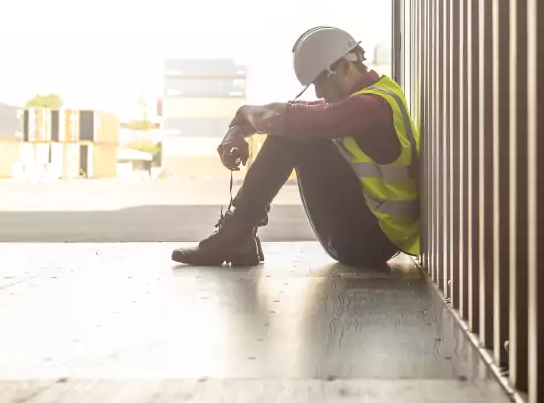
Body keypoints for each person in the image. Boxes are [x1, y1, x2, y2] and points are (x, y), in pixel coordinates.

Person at [170, 26, 421, 267]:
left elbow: (302, 119)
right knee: (296, 128)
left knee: (293, 134)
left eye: (321, 81)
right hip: (374, 235)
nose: (319, 93)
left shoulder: (371, 106)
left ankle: (236, 234)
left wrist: (244, 116)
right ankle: (239, 234)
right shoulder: (374, 96)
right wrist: (240, 125)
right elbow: (303, 114)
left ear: (345, 66)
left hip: (369, 242)